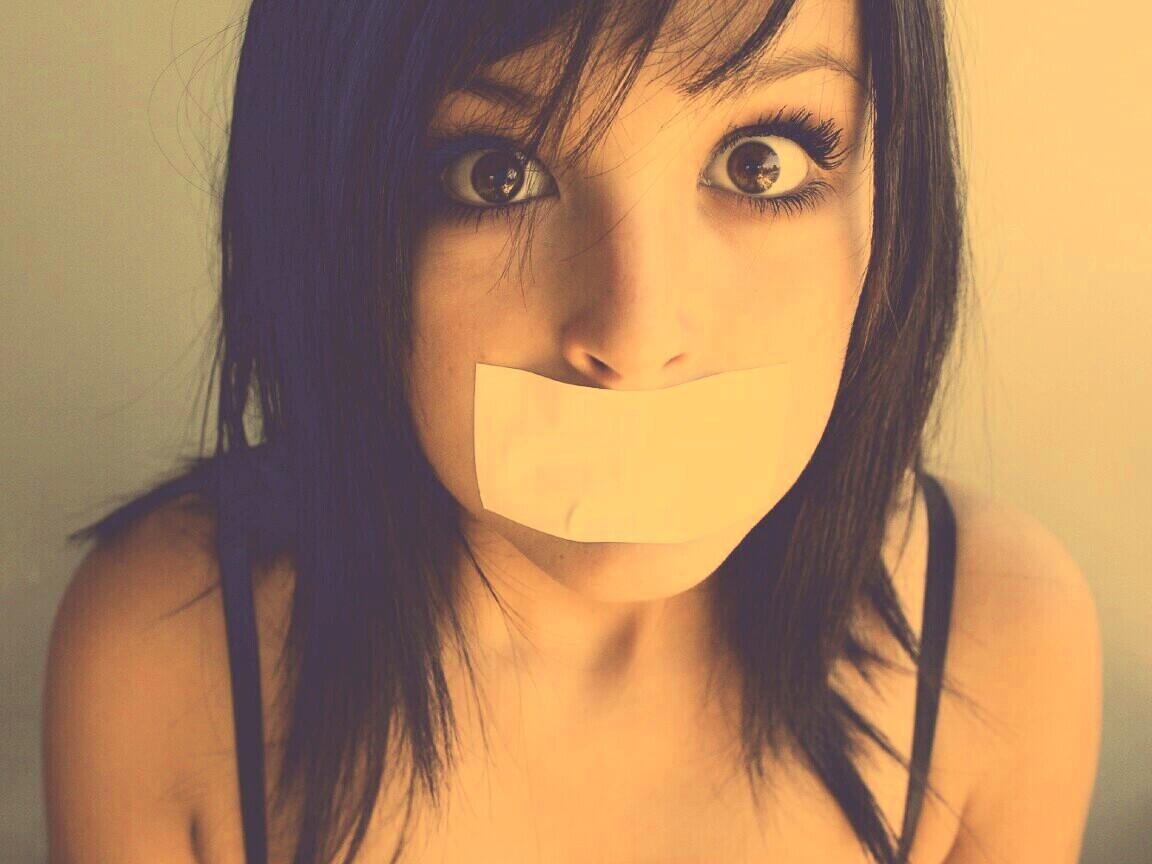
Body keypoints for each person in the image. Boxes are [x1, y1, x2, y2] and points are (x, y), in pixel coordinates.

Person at [42, 0, 1102, 862]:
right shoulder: (170, 665)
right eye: (496, 175)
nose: (637, 337)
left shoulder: (1000, 654)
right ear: (333, 214)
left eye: (760, 161)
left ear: (890, 188)